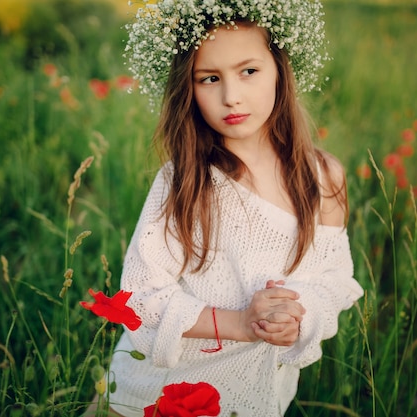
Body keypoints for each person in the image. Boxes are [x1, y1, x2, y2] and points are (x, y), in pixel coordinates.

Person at [91, 1, 364, 416]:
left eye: (249, 71)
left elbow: (334, 281)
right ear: (190, 87)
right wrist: (238, 323)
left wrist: (297, 316)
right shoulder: (183, 180)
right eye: (210, 78)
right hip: (155, 395)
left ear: (280, 68)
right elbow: (140, 297)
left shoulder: (323, 177)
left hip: (252, 396)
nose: (231, 97)